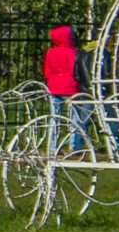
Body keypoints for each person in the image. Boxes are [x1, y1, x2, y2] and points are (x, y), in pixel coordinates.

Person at [45, 24, 107, 157]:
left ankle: (52, 147)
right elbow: (75, 70)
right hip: (69, 88)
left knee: (54, 118)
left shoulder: (51, 52)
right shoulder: (72, 52)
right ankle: (74, 146)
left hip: (53, 88)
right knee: (75, 118)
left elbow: (47, 71)